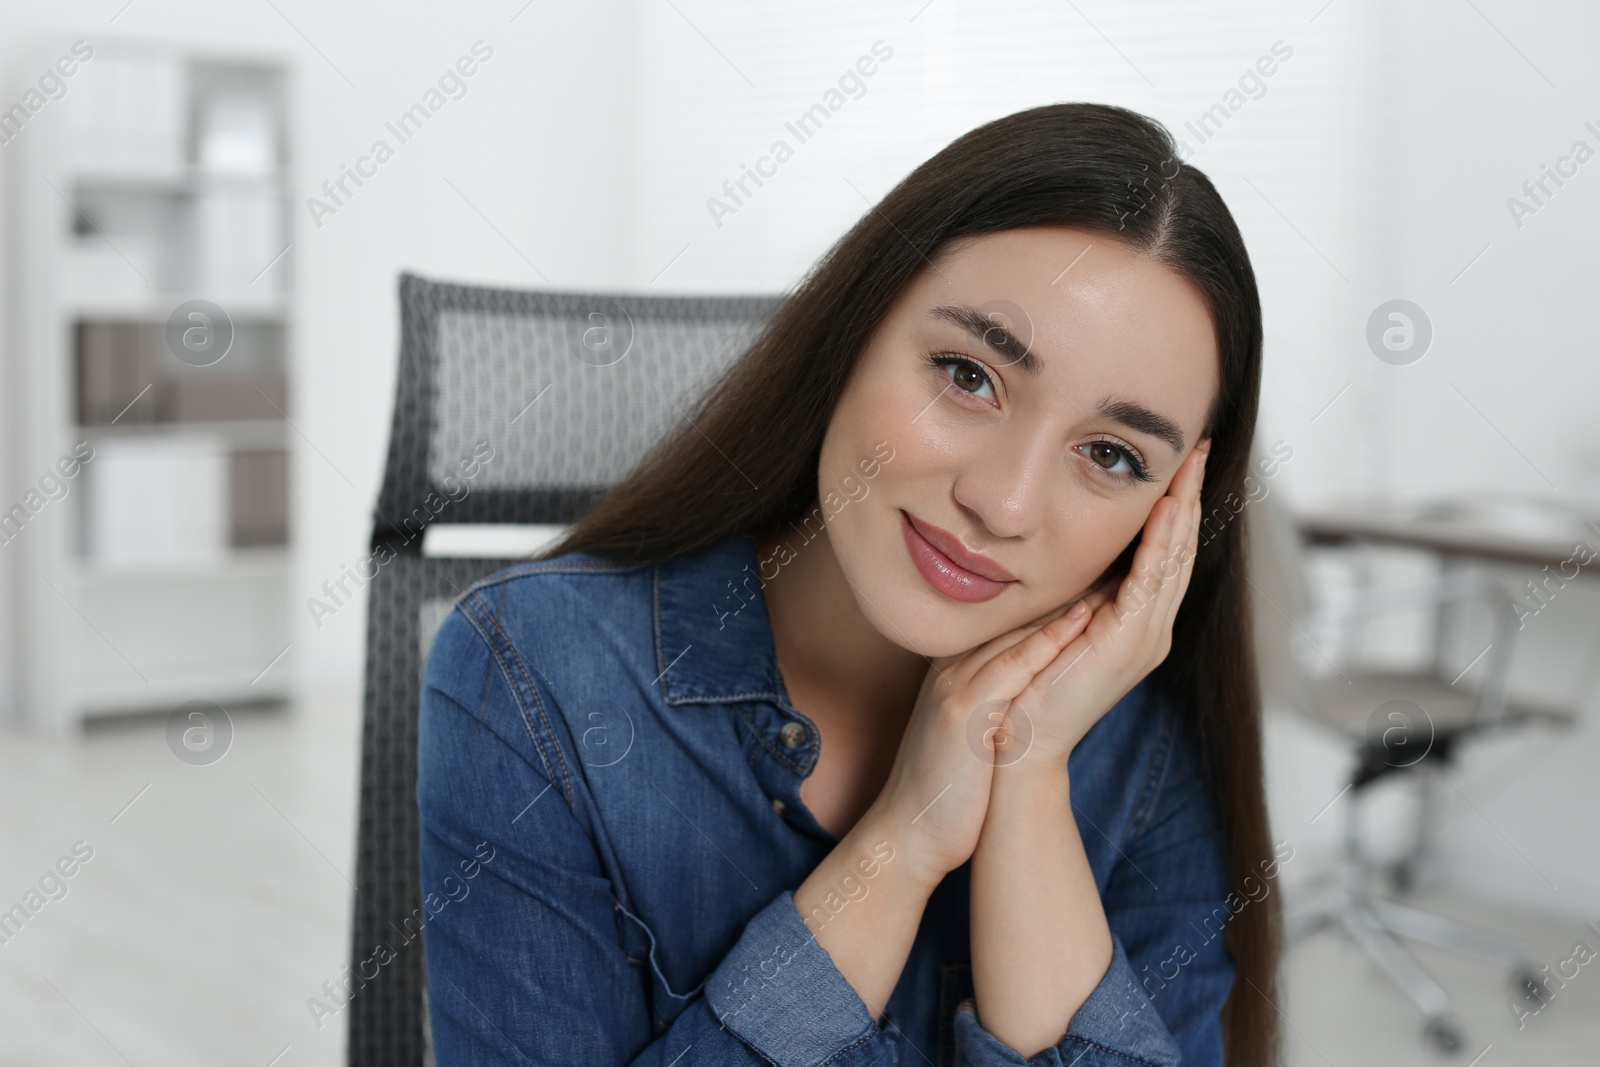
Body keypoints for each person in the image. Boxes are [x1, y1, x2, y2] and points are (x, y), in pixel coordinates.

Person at [416, 101, 1280, 1066]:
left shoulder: (1144, 749)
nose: (1002, 502)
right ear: (854, 327)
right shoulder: (539, 675)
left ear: (1171, 511)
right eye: (968, 373)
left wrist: (1028, 784)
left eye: (1112, 455)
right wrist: (897, 849)